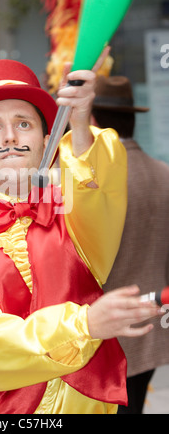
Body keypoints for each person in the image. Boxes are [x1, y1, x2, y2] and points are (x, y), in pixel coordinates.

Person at [0, 54, 162, 415]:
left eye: (24, 123)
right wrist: (84, 323)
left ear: (45, 142)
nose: (9, 136)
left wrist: (81, 124)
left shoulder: (74, 216)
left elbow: (99, 186)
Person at [92, 75, 169, 414]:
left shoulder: (92, 182)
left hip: (104, 336)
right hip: (152, 328)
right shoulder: (164, 173)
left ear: (93, 121)